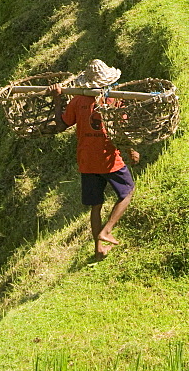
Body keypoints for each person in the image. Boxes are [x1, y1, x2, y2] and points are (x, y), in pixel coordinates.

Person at [48, 59, 139, 260]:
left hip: (86, 160)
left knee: (95, 205)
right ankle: (107, 230)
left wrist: (57, 100)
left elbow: (61, 125)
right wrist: (131, 150)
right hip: (108, 159)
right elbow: (121, 132)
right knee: (128, 192)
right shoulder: (114, 101)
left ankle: (98, 250)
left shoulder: (78, 101)